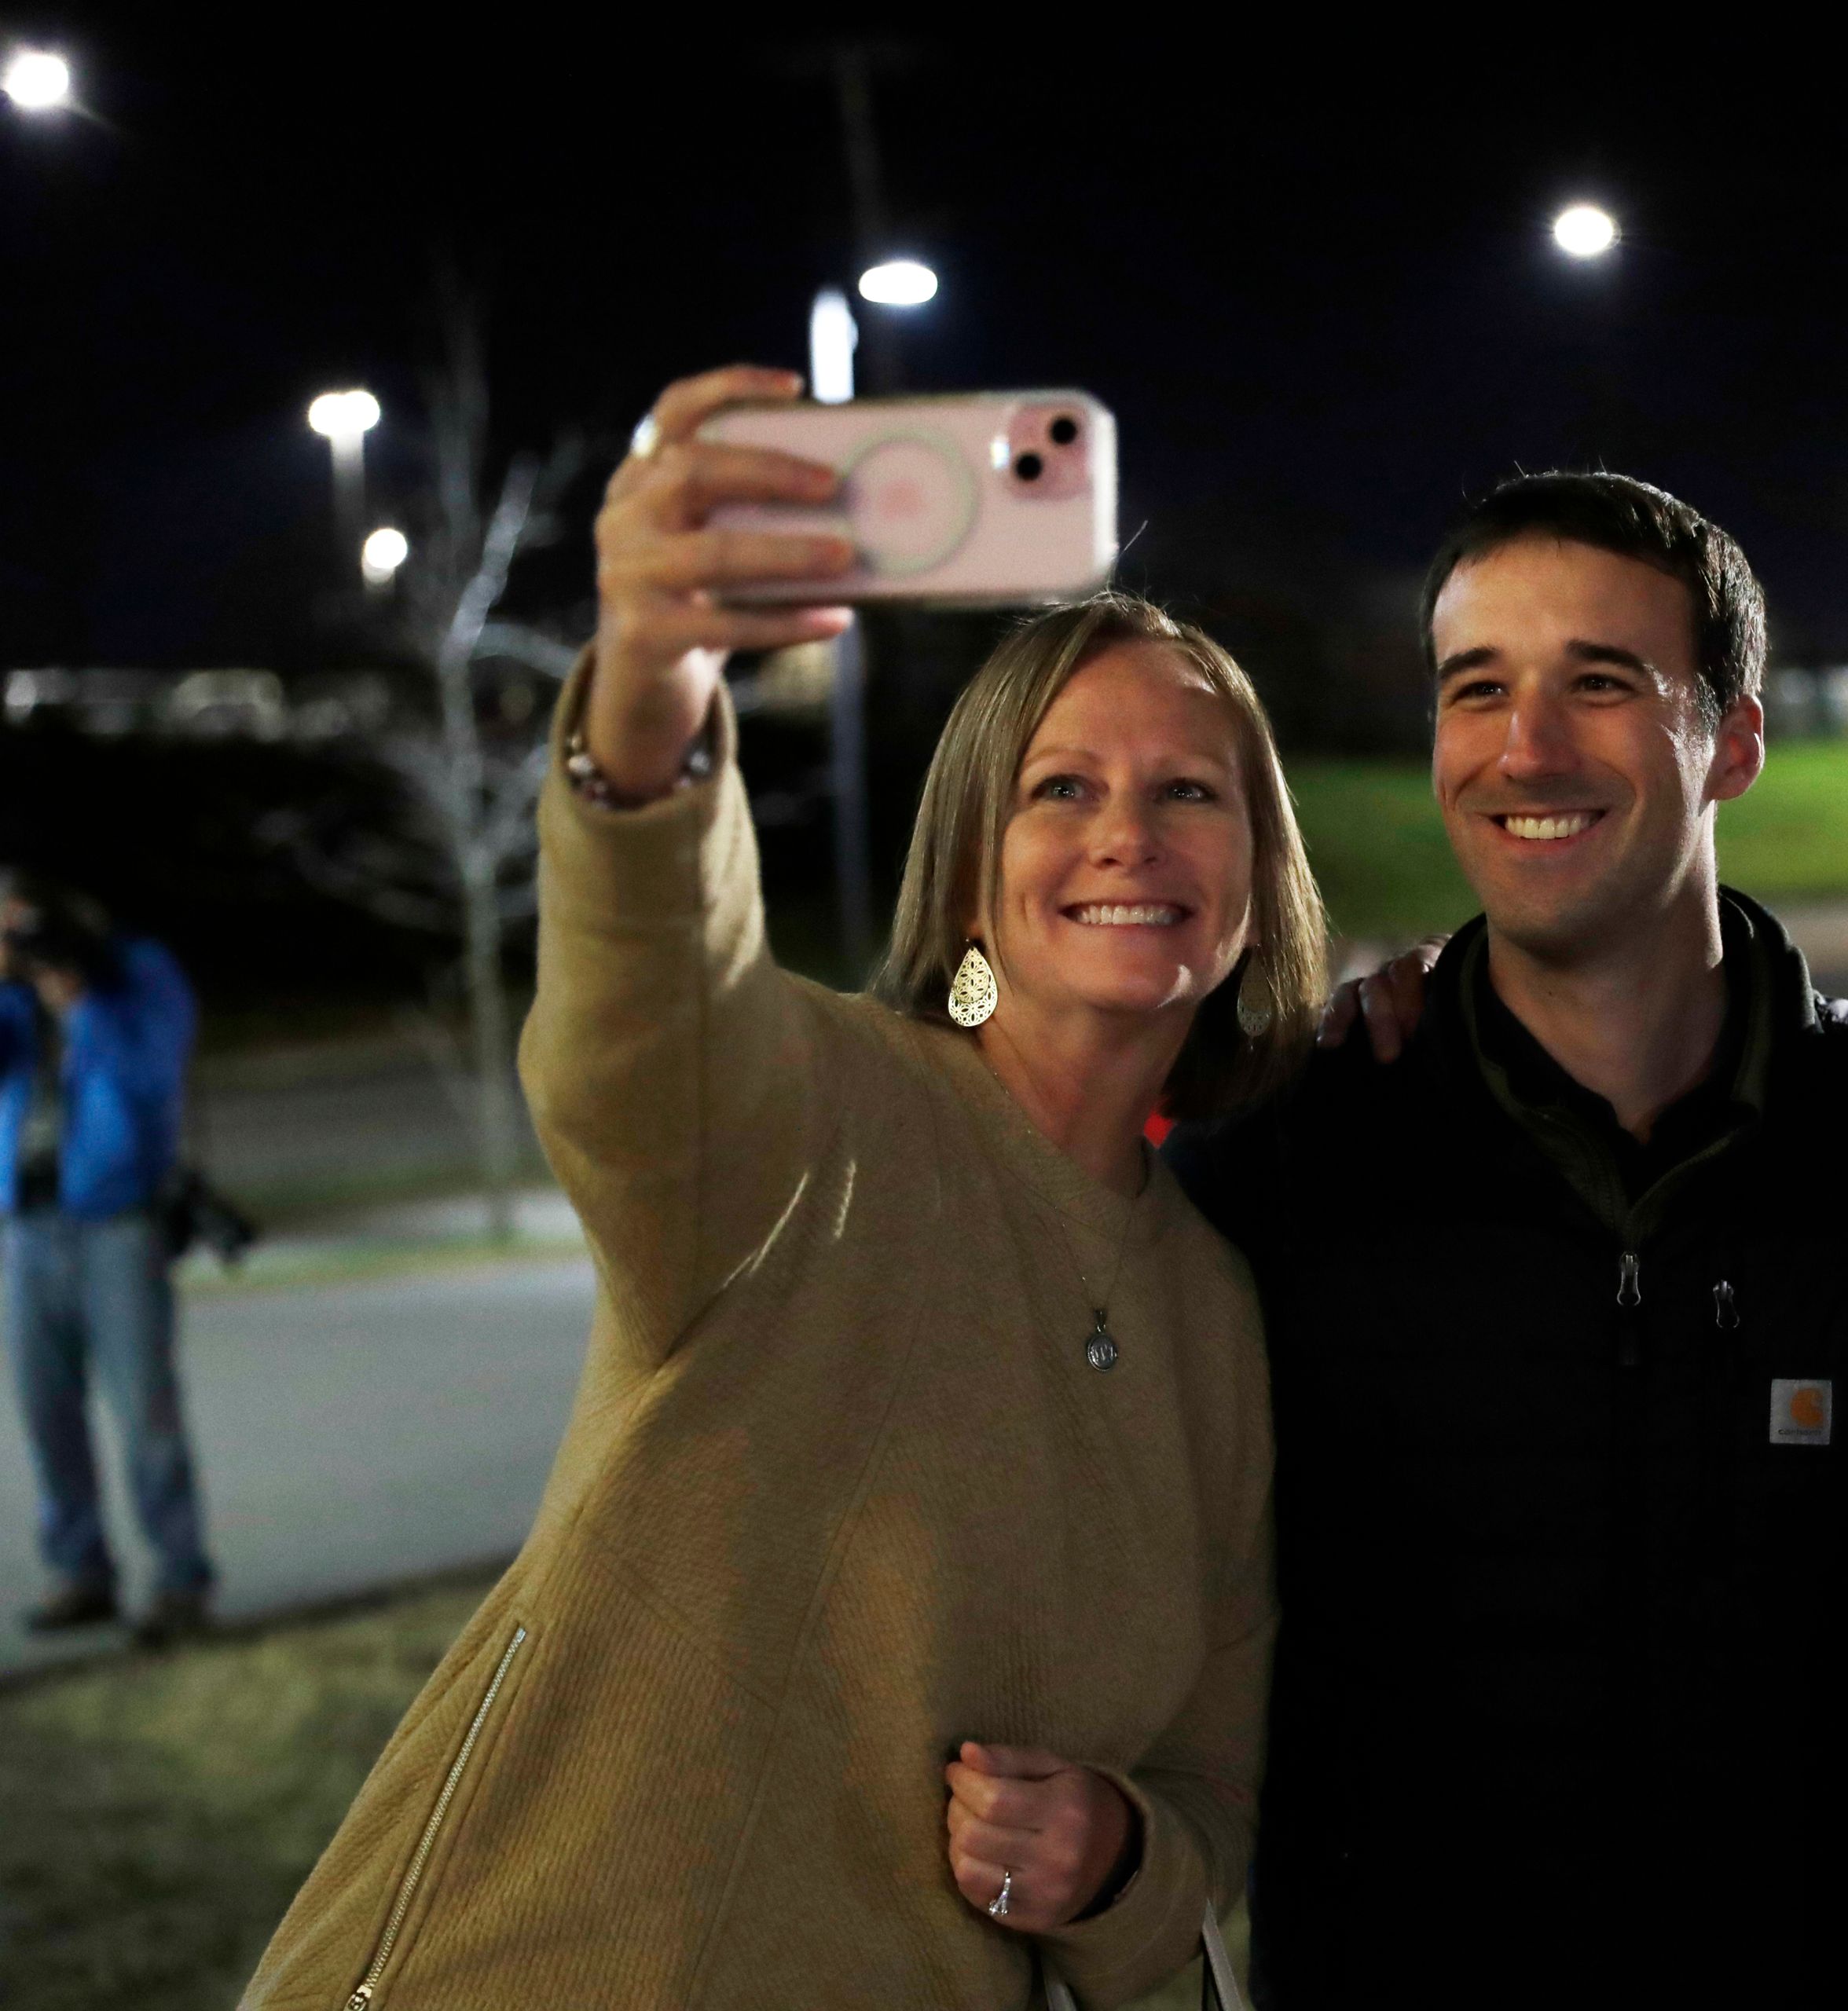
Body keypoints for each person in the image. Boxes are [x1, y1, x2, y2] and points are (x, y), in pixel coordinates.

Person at [245, 366, 1315, 2009]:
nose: (1131, 835)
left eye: (1191, 790)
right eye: (1062, 787)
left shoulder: (1219, 1317)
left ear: (1257, 879)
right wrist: (652, 687)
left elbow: (1209, 1790)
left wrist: (1112, 1854)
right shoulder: (821, 1106)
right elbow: (639, 1025)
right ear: (969, 865)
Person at [1165, 473, 1848, 2007]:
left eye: (1599, 681)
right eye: (1478, 690)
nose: (1526, 749)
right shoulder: (1291, 1161)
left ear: (1738, 740)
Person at [0, 871, 214, 1647]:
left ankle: (180, 1580)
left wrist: (80, 999)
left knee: (145, 1411)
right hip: (27, 1223)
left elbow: (148, 1078)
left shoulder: (137, 973)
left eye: (25, 917)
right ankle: (81, 1571)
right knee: (46, 1412)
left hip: (118, 1221)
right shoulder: (13, 999)